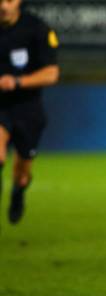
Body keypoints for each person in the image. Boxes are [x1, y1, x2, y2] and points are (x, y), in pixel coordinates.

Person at [0, 0, 59, 228]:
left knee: (22, 173)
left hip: (28, 108)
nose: (4, 6)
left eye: (10, 0)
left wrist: (17, 82)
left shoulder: (37, 29)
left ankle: (18, 191)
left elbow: (52, 74)